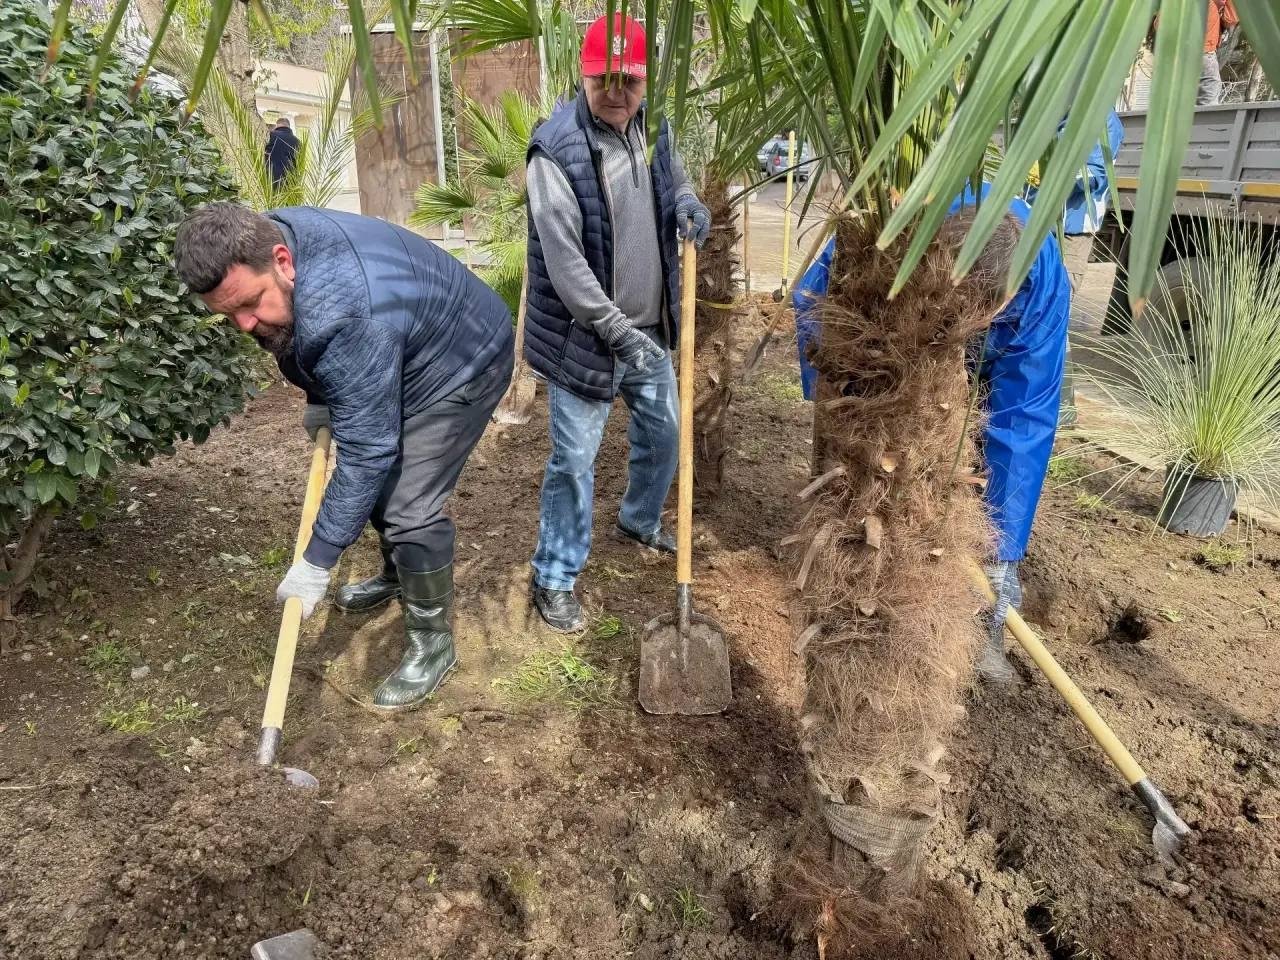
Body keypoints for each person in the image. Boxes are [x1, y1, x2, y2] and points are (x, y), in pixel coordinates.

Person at [174, 203, 513, 709]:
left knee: (408, 507)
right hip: (403, 335)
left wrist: (317, 561)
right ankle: (400, 577)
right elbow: (300, 339)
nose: (245, 325)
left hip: (463, 359)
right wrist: (322, 397)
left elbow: (367, 450)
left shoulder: (348, 314)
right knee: (379, 487)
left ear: (283, 261)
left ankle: (432, 641)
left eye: (249, 304)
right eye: (227, 315)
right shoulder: (262, 235)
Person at [793, 186, 1070, 683]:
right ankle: (837, 580)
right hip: (882, 338)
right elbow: (812, 306)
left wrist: (1002, 553)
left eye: (991, 306)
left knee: (969, 480)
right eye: (966, 305)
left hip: (981, 358)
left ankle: (971, 622)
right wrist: (848, 405)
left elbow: (1023, 416)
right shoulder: (887, 231)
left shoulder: (1042, 281)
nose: (976, 316)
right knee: (853, 473)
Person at [523, 13, 712, 632]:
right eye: (604, 79)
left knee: (665, 432)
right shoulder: (556, 150)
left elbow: (674, 178)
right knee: (573, 461)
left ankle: (638, 518)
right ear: (583, 74)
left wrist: (687, 202)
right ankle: (553, 575)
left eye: (629, 81)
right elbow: (566, 264)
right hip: (589, 337)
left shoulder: (652, 126)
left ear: (643, 78)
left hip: (649, 330)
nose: (617, 93)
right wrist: (616, 331)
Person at [1048, 110, 1125, 427]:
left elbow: (1095, 175)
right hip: (1039, 226)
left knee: (1055, 311)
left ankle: (1061, 411)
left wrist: (1055, 175)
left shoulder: (1102, 119)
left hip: (1072, 231)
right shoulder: (1055, 115)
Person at [1199, 0, 1239, 105]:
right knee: (1209, 97)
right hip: (1203, 50)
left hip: (1175, 56)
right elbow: (1230, 18)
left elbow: (1158, 24)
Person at [265, 117, 300, 188]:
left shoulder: (271, 135)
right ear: (288, 126)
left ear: (277, 125)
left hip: (271, 180)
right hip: (290, 182)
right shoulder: (298, 142)